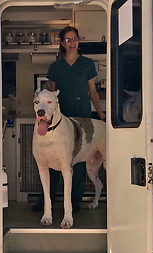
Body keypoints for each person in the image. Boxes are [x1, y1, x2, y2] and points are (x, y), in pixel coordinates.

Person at [32, 26, 105, 213]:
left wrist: (101, 113)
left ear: (78, 41)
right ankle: (46, 202)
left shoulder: (87, 64)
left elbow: (92, 91)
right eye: (68, 40)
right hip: (60, 117)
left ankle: (73, 203)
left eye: (74, 39)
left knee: (79, 161)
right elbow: (51, 94)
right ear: (62, 43)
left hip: (81, 114)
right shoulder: (55, 67)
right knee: (52, 160)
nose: (72, 43)